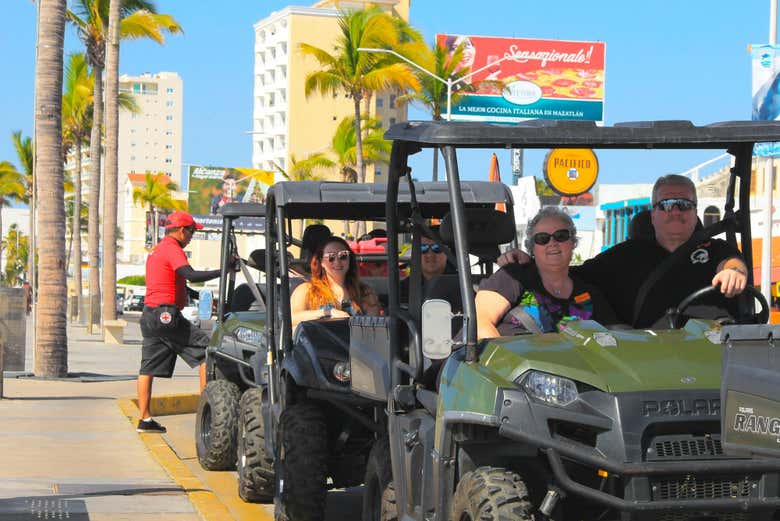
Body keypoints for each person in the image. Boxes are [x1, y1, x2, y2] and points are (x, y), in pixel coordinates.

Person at [498, 175, 749, 328]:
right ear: (653, 214)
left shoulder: (715, 249)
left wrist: (733, 273)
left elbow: (733, 264)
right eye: (666, 205)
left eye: (683, 204)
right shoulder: (625, 255)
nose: (675, 211)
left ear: (695, 212)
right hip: (650, 356)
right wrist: (529, 261)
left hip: (713, 348)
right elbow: (565, 273)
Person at [137, 211, 225, 433]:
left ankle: (145, 419)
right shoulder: (172, 249)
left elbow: (178, 284)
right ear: (181, 230)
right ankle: (208, 412)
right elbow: (190, 274)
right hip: (166, 316)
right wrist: (223, 271)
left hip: (150, 315)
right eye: (192, 232)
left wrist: (200, 298)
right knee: (207, 351)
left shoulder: (158, 249)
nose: (192, 236)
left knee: (147, 368)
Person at [477, 207, 617, 339]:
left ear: (573, 242)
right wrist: (506, 362)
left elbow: (617, 331)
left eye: (561, 236)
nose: (552, 243)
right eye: (542, 238)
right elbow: (480, 323)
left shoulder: (588, 292)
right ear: (532, 247)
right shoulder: (513, 276)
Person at [290, 236, 381, 330]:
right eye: (331, 257)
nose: (337, 262)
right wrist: (327, 312)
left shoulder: (365, 292)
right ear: (321, 261)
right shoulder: (306, 290)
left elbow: (375, 327)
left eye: (343, 256)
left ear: (350, 259)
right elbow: (290, 319)